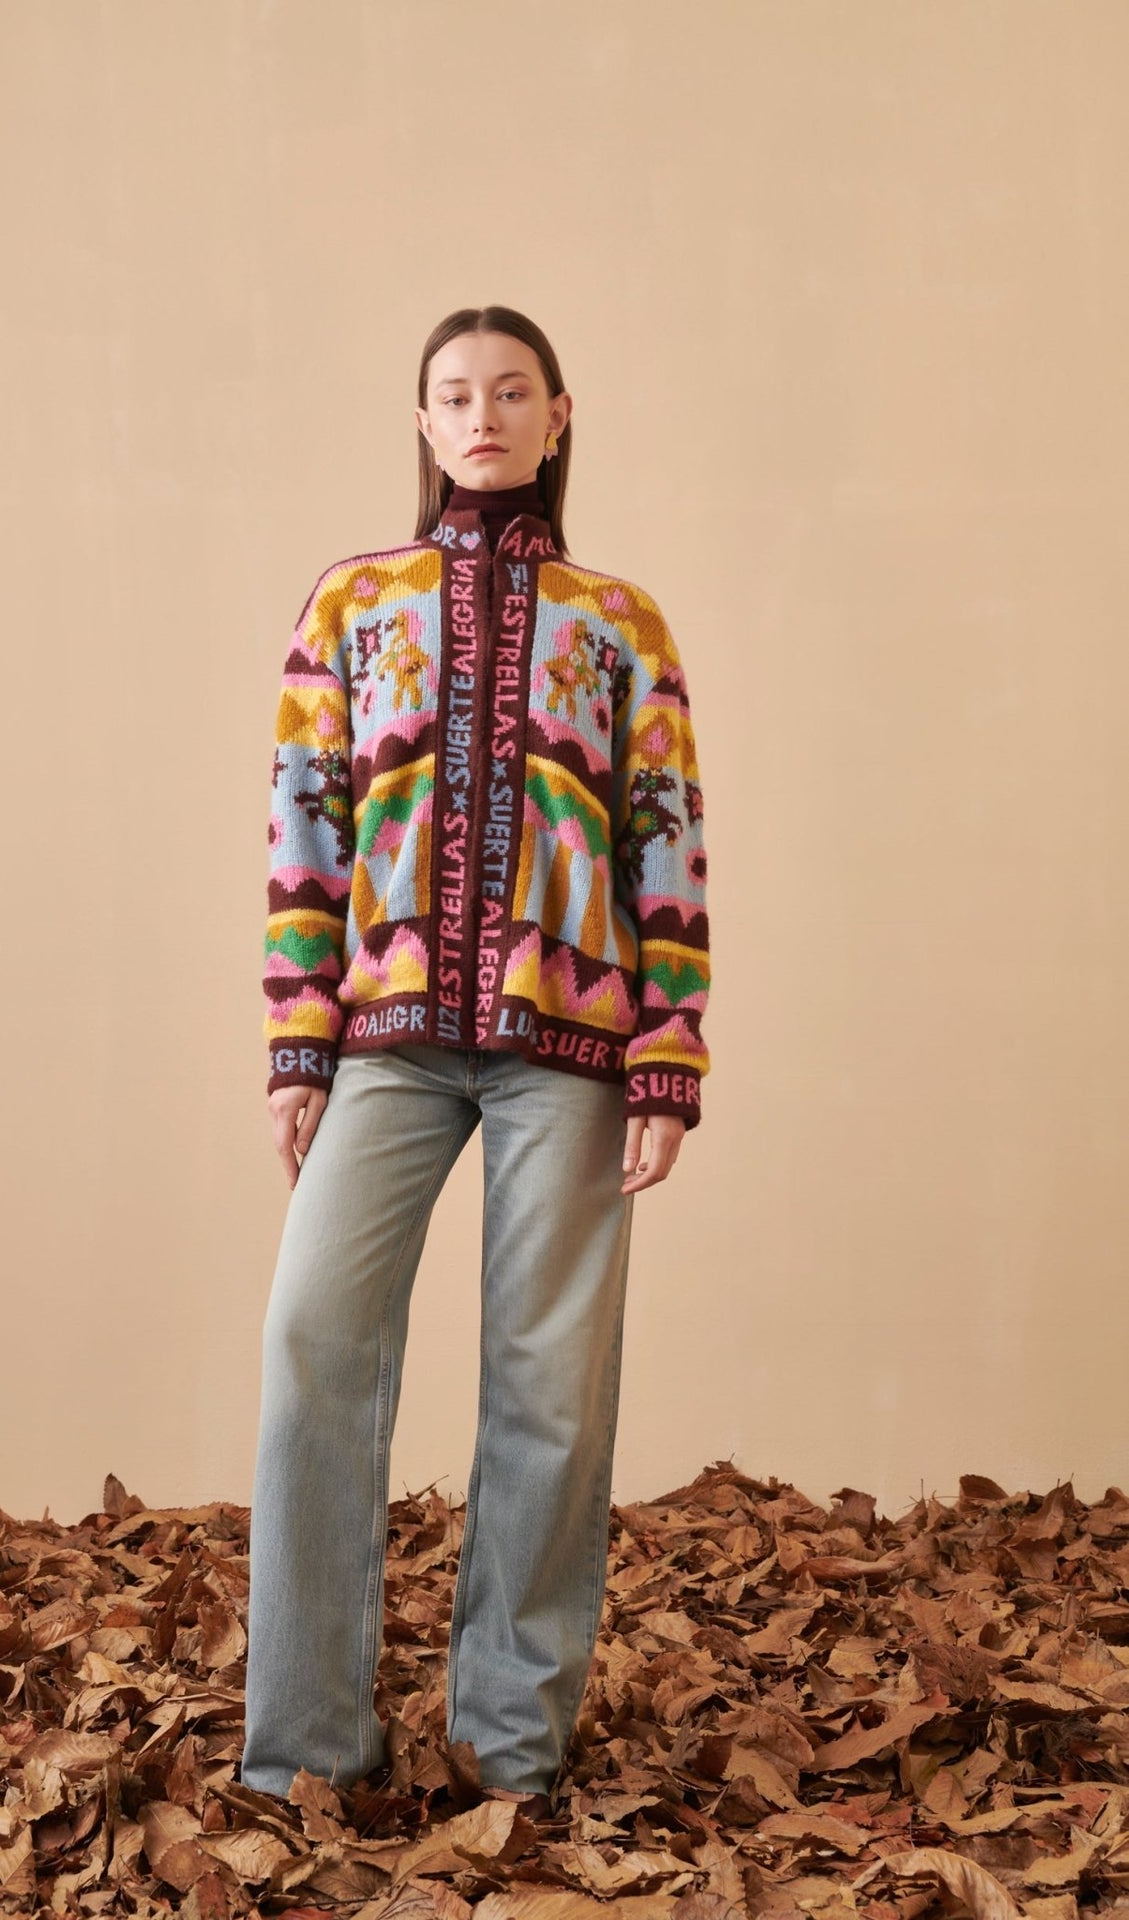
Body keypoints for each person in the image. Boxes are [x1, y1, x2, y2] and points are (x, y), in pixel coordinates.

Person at [240, 305, 711, 1817]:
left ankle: (511, 1749)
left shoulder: (620, 622)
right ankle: (307, 1749)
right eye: (455, 395)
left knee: (547, 1387)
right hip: (385, 1037)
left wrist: (669, 1053)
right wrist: (298, 1040)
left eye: (511, 392)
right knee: (314, 1340)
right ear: (424, 422)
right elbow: (306, 826)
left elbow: (665, 844)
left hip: (569, 1043)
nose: (483, 415)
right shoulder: (353, 602)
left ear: (558, 416)